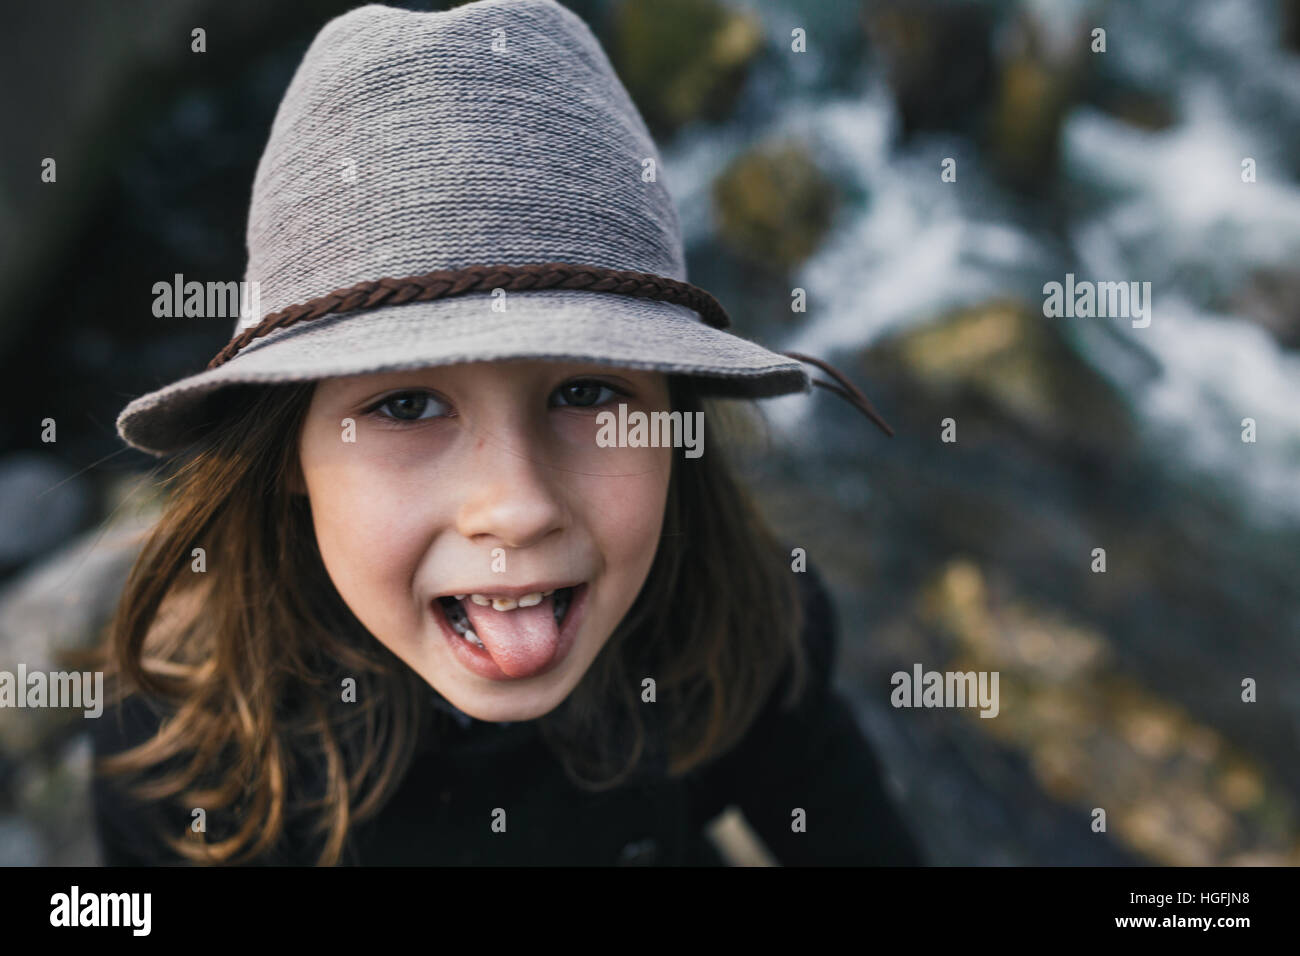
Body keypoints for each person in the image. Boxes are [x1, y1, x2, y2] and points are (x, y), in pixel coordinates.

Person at [90, 0, 922, 867]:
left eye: (588, 390)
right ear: (286, 454)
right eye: (407, 406)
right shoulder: (183, 746)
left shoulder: (744, 625)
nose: (518, 508)